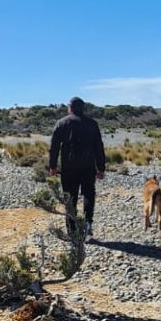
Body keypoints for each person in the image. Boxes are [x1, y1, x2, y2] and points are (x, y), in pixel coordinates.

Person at [48, 97, 106, 238]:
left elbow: (54, 147)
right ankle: (87, 223)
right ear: (82, 108)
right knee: (88, 194)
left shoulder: (62, 123)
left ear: (70, 108)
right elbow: (99, 147)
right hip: (88, 167)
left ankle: (72, 229)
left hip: (69, 168)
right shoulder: (92, 124)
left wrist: (53, 166)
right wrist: (101, 168)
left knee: (70, 198)